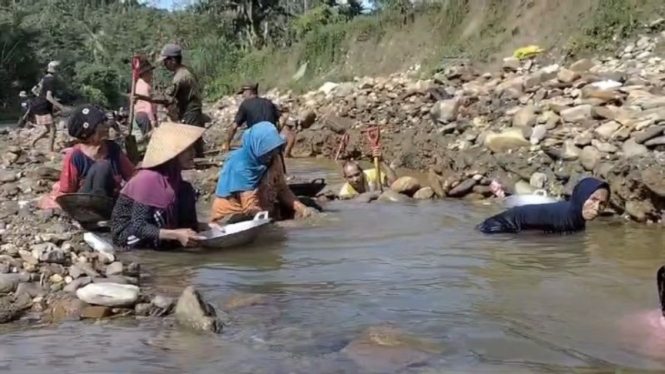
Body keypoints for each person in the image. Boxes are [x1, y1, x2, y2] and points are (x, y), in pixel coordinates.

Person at [111, 122, 206, 249]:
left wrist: (206, 226)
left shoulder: (174, 180)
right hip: (130, 235)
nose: (193, 153)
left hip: (158, 229)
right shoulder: (147, 180)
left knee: (187, 191)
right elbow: (139, 227)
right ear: (173, 155)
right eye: (188, 150)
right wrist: (176, 235)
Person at [211, 121, 316, 223]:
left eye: (274, 149)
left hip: (263, 207)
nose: (272, 154)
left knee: (309, 205)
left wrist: (302, 208)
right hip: (236, 214)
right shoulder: (241, 164)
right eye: (267, 151)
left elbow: (282, 189)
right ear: (257, 146)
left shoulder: (274, 158)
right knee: (248, 220)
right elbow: (250, 206)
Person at [136, 44, 205, 157]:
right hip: (191, 109)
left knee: (192, 143)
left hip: (190, 111)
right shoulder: (186, 71)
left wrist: (142, 97)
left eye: (165, 61)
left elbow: (166, 98)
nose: (164, 64)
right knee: (195, 142)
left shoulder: (180, 78)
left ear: (173, 60)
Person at [476, 177, 610, 234]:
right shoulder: (562, 217)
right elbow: (531, 236)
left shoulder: (576, 219)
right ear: (581, 197)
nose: (597, 208)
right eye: (593, 199)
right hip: (494, 227)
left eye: (602, 203)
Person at [56, 105, 135, 198]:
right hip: (86, 204)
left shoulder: (113, 148)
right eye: (101, 124)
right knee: (102, 167)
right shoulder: (75, 156)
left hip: (113, 203)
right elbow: (66, 191)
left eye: (105, 122)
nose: (107, 127)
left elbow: (131, 176)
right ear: (89, 132)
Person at [221, 82, 280, 152]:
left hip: (256, 140)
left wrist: (227, 142)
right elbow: (282, 119)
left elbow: (234, 126)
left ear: (248, 92)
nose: (242, 96)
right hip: (272, 138)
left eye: (243, 93)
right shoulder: (268, 102)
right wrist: (276, 133)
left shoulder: (245, 104)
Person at [30, 61, 65, 150]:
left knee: (47, 129)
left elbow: (34, 90)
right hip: (43, 106)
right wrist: (61, 106)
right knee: (53, 128)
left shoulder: (44, 78)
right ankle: (50, 150)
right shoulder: (51, 80)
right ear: (57, 70)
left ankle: (32, 142)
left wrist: (40, 96)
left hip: (37, 104)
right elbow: (49, 97)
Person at [133, 61, 157, 138]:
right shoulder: (145, 86)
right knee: (149, 137)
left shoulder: (138, 84)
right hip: (145, 114)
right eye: (150, 73)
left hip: (139, 114)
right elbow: (147, 104)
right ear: (145, 74)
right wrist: (152, 120)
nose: (151, 75)